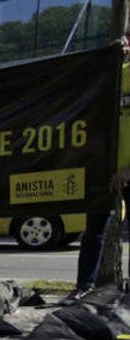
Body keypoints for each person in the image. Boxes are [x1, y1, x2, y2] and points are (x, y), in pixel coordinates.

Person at [69, 35, 130, 301]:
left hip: (127, 171)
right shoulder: (111, 76)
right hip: (103, 170)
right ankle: (84, 287)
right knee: (93, 231)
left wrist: (128, 171)